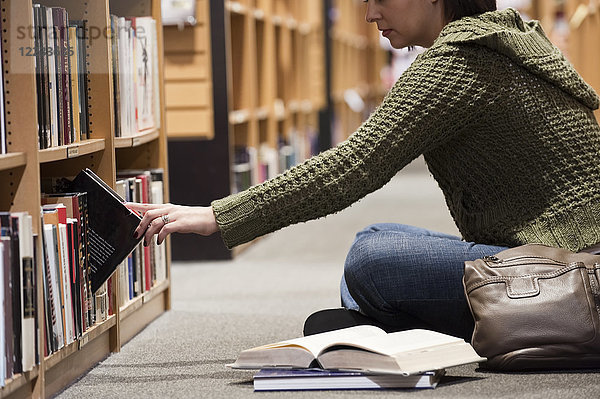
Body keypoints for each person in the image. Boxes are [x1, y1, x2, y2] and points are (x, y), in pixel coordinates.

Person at [128, 0, 600, 340]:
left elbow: (351, 169)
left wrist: (219, 216)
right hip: (557, 256)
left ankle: (386, 330)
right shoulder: (503, 38)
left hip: (570, 278)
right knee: (374, 237)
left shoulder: (457, 63)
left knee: (373, 262)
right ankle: (382, 327)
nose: (369, 14)